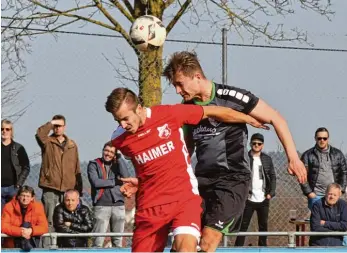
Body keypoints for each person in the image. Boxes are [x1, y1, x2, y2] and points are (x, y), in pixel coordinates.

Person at [162, 51, 307, 252]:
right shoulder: (188, 107)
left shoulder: (232, 97)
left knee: (207, 241)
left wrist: (293, 158)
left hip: (232, 180)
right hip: (201, 181)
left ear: (196, 77)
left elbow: (276, 118)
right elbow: (186, 147)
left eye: (180, 84)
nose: (177, 90)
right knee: (181, 244)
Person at [105, 87, 268, 252]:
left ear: (139, 108)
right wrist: (140, 181)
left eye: (126, 119)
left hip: (183, 198)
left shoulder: (168, 114)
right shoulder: (119, 139)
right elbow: (151, 164)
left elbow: (212, 111)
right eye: (118, 121)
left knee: (186, 249)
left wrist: (248, 119)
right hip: (151, 207)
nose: (123, 125)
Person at [35, 115, 83, 247]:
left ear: (64, 127)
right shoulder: (47, 142)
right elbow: (39, 134)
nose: (57, 128)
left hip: (68, 188)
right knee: (49, 219)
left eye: (59, 125)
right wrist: (50, 123)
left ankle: (67, 247)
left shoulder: (72, 145)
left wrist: (78, 189)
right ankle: (47, 247)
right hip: (51, 186)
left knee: (67, 220)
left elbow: (76, 166)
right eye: (55, 126)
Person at [235, 133, 276, 247]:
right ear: (250, 144)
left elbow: (272, 176)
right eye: (254, 143)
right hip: (248, 198)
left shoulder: (267, 159)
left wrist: (271, 193)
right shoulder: (245, 158)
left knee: (263, 225)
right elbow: (238, 175)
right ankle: (238, 249)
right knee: (243, 225)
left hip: (263, 198)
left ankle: (263, 248)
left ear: (262, 145)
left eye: (259, 143)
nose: (256, 145)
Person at [87, 142, 130, 248]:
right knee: (98, 242)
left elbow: (126, 176)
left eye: (111, 152)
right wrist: (115, 181)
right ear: (102, 150)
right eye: (106, 150)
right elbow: (96, 182)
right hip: (101, 205)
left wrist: (119, 157)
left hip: (118, 205)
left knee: (118, 242)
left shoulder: (118, 164)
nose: (108, 154)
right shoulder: (94, 164)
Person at [300, 127, 347, 210]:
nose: (322, 140)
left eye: (324, 138)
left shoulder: (338, 154)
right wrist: (309, 193)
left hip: (333, 195)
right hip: (316, 196)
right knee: (317, 222)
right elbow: (301, 175)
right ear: (315, 138)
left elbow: (344, 172)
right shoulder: (307, 155)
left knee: (333, 222)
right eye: (319, 138)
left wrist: (341, 190)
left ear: (328, 139)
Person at [1, 185, 48, 250]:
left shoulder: (38, 207)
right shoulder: (8, 206)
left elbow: (44, 227)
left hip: (30, 242)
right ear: (18, 196)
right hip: (12, 244)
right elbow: (3, 226)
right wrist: (21, 232)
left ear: (32, 198)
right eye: (23, 195)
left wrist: (31, 230)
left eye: (28, 196)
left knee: (27, 225)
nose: (25, 198)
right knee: (25, 225)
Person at [1, 119, 30, 211]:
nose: (4, 131)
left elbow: (26, 167)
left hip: (13, 188)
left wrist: (18, 185)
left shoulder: (18, 148)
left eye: (7, 129)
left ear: (11, 131)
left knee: (13, 216)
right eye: (2, 129)